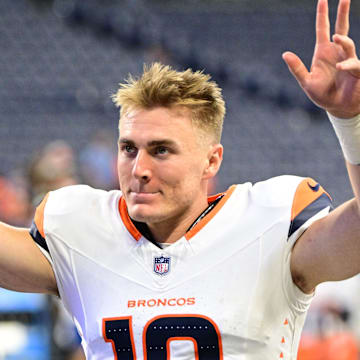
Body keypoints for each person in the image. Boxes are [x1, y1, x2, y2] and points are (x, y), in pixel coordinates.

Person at [0, 0, 360, 358]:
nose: (139, 168)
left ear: (211, 161)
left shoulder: (270, 222)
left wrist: (351, 122)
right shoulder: (81, 228)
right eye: (128, 148)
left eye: (161, 151)